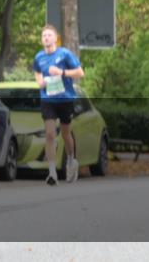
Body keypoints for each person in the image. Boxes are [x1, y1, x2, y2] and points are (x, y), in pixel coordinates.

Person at [32, 24, 85, 186]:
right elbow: (37, 72)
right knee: (49, 134)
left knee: (65, 133)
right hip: (48, 99)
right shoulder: (39, 57)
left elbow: (80, 73)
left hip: (65, 99)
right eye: (43, 36)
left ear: (55, 38)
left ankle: (71, 160)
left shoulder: (64, 54)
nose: (46, 38)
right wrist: (40, 82)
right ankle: (52, 172)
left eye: (49, 35)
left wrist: (62, 73)